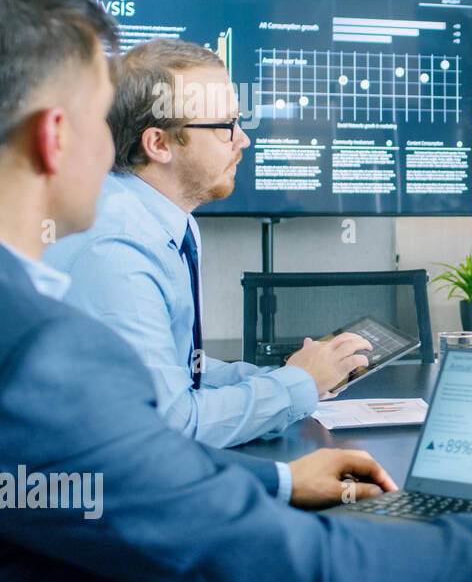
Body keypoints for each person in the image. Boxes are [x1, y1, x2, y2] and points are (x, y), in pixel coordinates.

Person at [0, 0, 472, 582]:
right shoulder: (39, 354)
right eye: (99, 122)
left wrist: (284, 481)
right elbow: (300, 565)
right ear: (55, 139)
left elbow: (135, 470)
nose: (113, 150)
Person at [44, 38, 361, 448]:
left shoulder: (168, 221)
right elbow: (171, 426)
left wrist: (290, 375)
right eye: (225, 127)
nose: (243, 140)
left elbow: (177, 370)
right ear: (158, 144)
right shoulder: (116, 250)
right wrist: (295, 384)